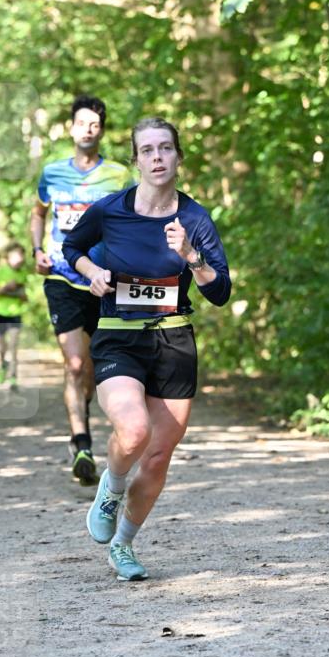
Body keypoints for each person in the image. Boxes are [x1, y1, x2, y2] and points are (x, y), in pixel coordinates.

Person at [62, 116, 231, 581]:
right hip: (119, 335)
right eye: (148, 150)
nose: (157, 158)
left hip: (174, 340)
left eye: (166, 149)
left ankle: (123, 546)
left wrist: (191, 258)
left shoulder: (194, 219)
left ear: (178, 156)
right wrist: (90, 273)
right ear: (135, 159)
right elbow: (71, 246)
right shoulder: (110, 209)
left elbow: (220, 292)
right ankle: (111, 488)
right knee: (133, 431)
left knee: (158, 455)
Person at [30, 94, 131, 485]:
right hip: (61, 277)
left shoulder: (120, 176)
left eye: (95, 124)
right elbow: (38, 213)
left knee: (91, 368)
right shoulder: (52, 173)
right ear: (70, 128)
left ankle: (83, 413)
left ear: (101, 130)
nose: (88, 130)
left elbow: (134, 218)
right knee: (74, 363)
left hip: (103, 281)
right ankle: (81, 443)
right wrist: (37, 249)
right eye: (81, 123)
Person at [0, 242, 28, 390]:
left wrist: (20, 293)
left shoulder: (22, 273)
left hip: (15, 314)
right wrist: (6, 287)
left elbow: (24, 296)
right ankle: (2, 366)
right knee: (2, 346)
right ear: (9, 256)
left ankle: (13, 378)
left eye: (22, 255)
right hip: (0, 313)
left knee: (14, 346)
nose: (21, 258)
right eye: (18, 254)